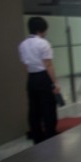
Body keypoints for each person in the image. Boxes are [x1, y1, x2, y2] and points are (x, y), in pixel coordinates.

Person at [18, 16, 60, 144]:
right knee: (48, 107)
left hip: (31, 78)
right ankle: (50, 134)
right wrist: (55, 82)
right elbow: (48, 65)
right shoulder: (43, 43)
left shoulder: (23, 44)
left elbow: (25, 65)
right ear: (42, 29)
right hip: (43, 77)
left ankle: (37, 136)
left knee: (34, 108)